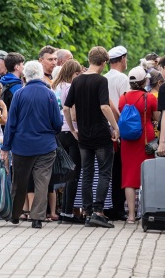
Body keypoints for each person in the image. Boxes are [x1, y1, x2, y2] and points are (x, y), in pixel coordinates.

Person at [0, 61, 62, 229]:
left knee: (19, 181)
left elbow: (11, 123)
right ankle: (37, 218)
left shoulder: (19, 94)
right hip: (46, 146)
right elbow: (58, 122)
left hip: (22, 146)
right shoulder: (50, 94)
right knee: (42, 181)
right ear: (41, 74)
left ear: (25, 75)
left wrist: (6, 146)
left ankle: (15, 214)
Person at [63, 46, 119, 228]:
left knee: (86, 173)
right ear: (103, 63)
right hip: (101, 134)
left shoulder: (77, 81)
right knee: (104, 172)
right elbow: (104, 107)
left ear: (89, 60)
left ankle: (87, 213)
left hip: (84, 135)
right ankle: (98, 211)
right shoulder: (101, 81)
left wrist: (73, 130)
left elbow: (66, 107)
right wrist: (115, 127)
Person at [118, 66, 159, 224]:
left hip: (128, 139)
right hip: (145, 138)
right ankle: (146, 212)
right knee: (146, 174)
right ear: (144, 81)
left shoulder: (123, 97)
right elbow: (156, 118)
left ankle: (130, 216)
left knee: (129, 176)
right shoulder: (150, 98)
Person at [52, 60, 84, 223]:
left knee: (65, 172)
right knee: (74, 173)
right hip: (72, 131)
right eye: (78, 73)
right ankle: (68, 212)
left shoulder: (55, 87)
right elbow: (73, 114)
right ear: (73, 73)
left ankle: (62, 210)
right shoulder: (70, 88)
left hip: (59, 132)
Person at [105, 45, 130, 221]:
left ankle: (107, 206)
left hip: (104, 127)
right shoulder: (123, 79)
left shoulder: (103, 78)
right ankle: (117, 208)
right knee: (119, 169)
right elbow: (125, 104)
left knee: (107, 169)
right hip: (118, 127)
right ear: (122, 59)